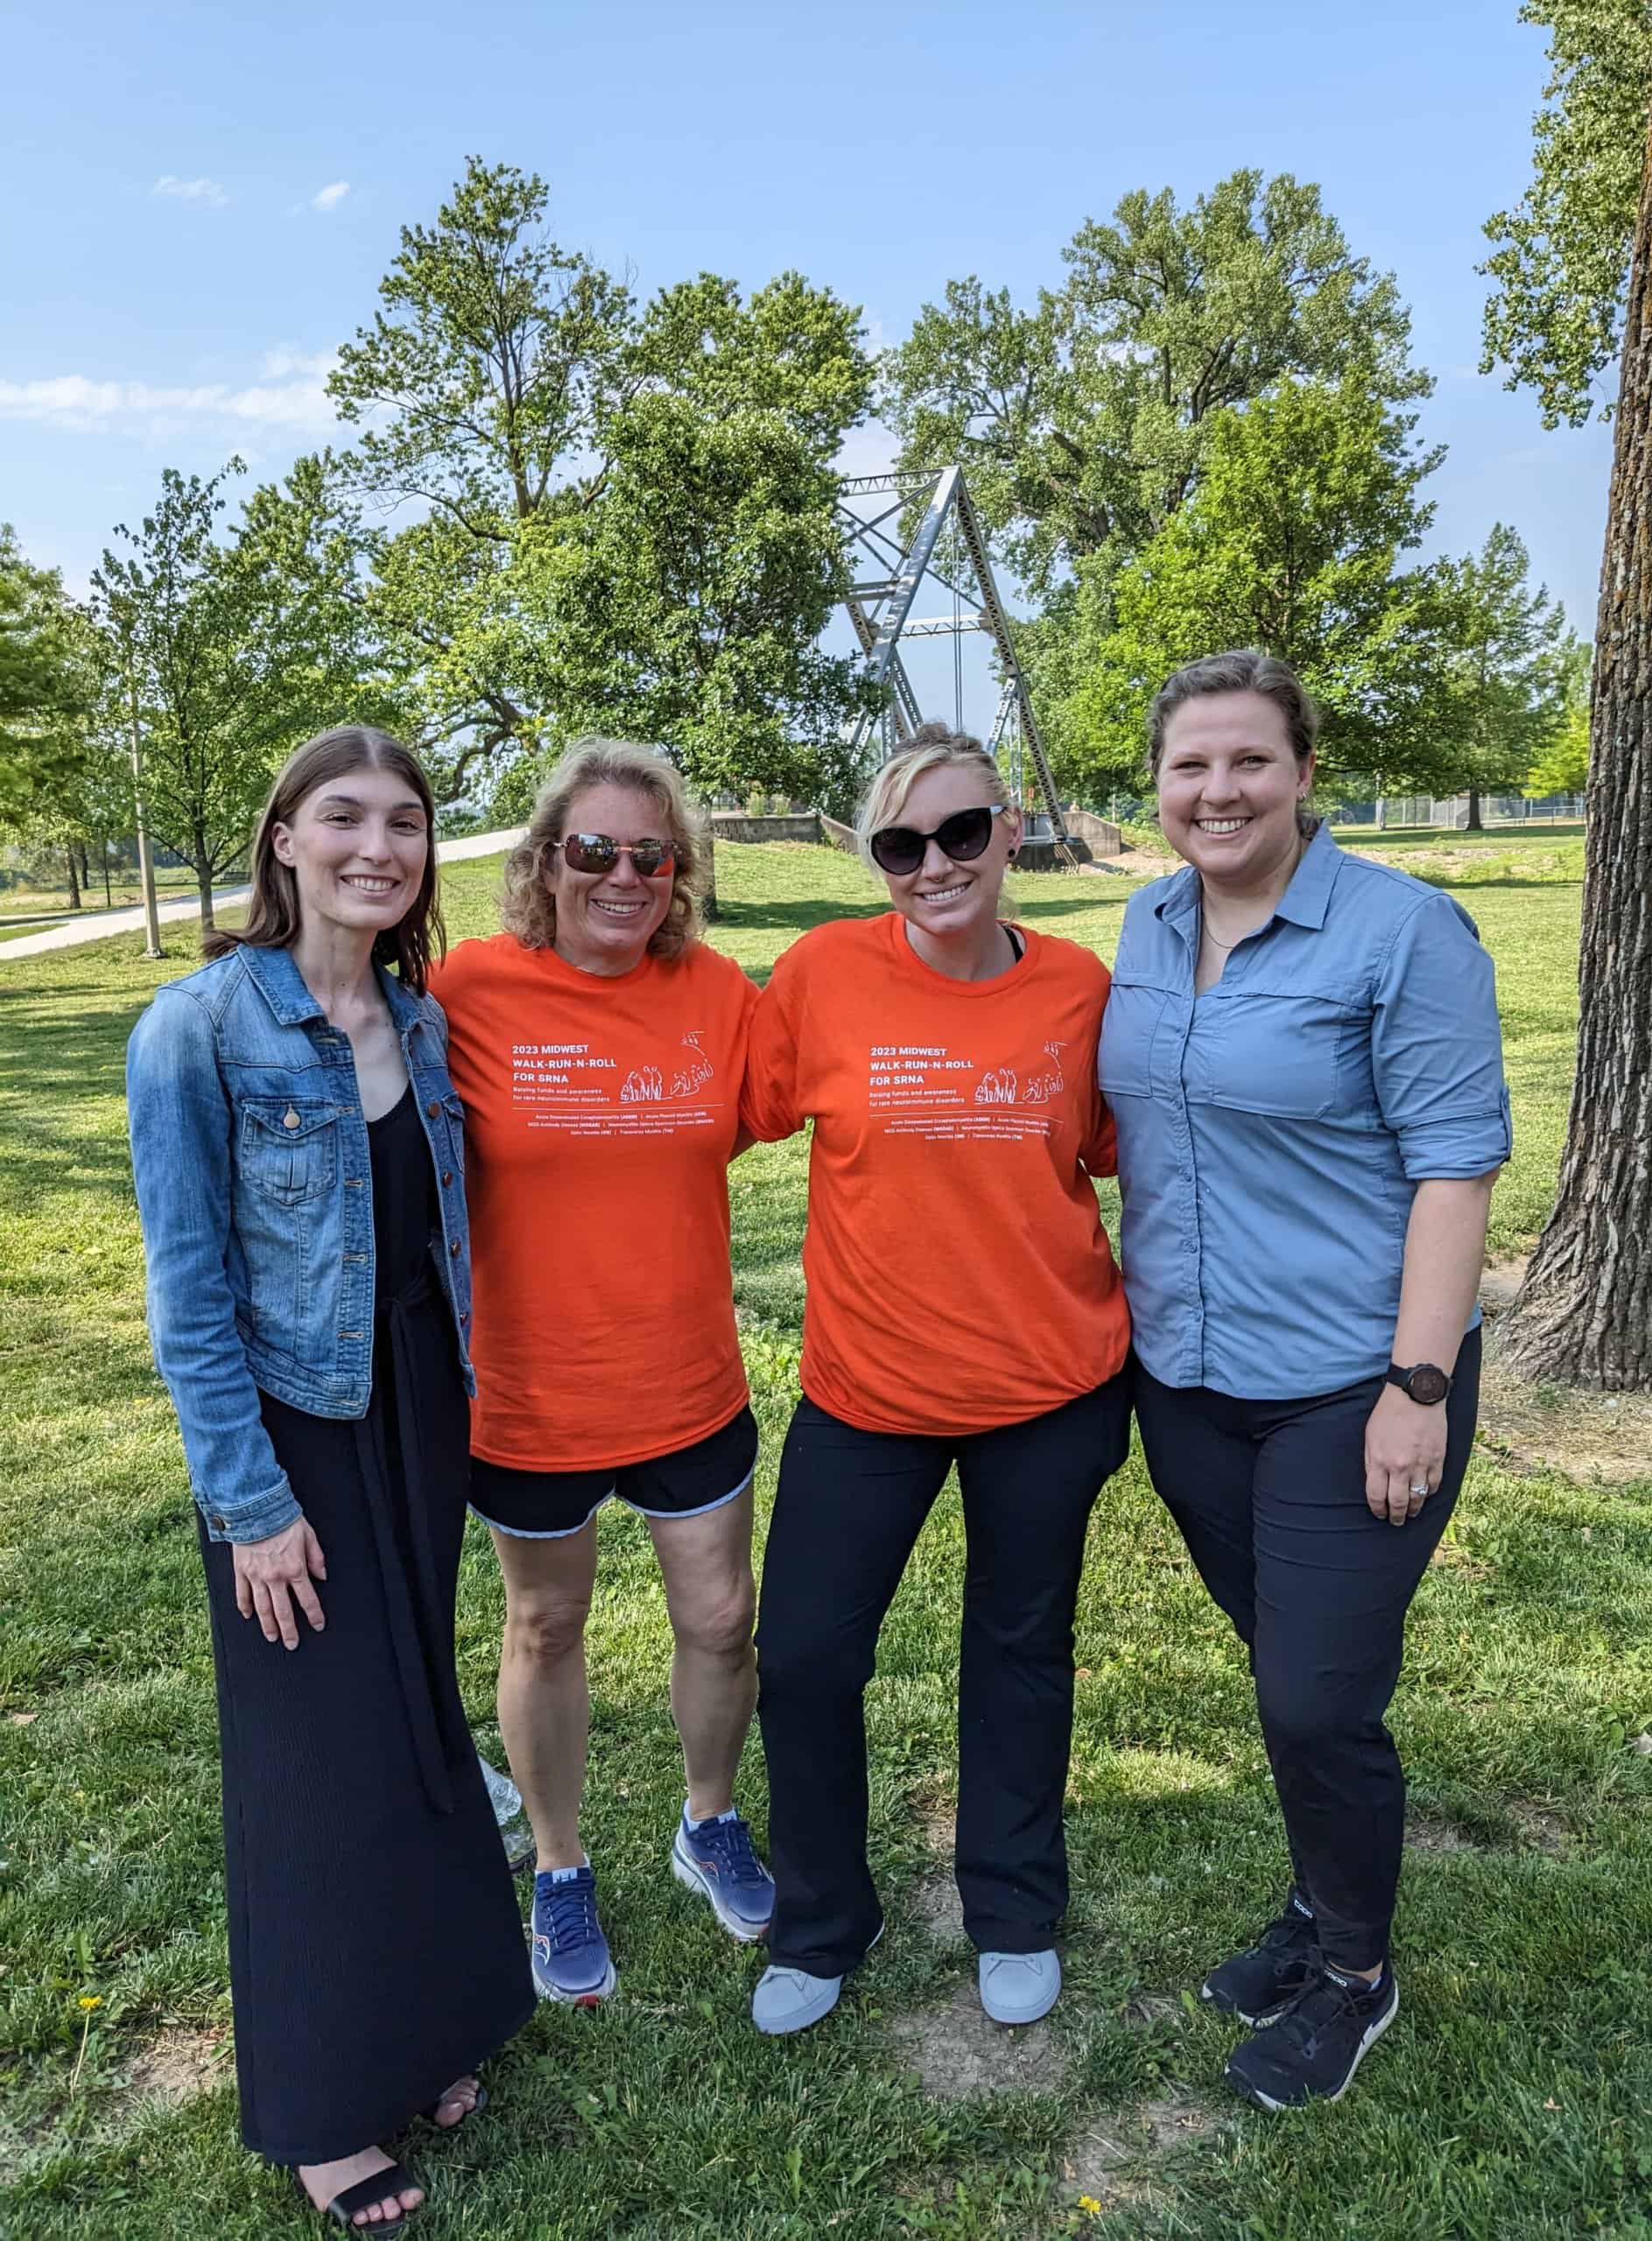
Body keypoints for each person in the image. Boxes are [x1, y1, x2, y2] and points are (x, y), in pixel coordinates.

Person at [126, 727, 534, 2235]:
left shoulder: (422, 1025)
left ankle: (426, 2027)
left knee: (420, 1721)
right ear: (283, 836)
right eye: (344, 817)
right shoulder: (199, 1028)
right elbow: (190, 1296)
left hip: (420, 1412)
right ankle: (321, 2109)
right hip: (295, 1431)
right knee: (314, 1766)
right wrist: (248, 1503)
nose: (381, 846)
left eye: (408, 823)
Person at [1100, 651, 1511, 2111]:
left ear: (1302, 774)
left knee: (1318, 1697)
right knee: (1290, 1673)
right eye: (1190, 766)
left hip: (1355, 1379)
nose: (1216, 791)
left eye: (1248, 762)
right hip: (1192, 1379)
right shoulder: (1146, 926)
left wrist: (1420, 1382)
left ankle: (1354, 1973)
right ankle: (1321, 1897)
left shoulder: (1403, 932)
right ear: (1157, 784)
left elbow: (1455, 1167)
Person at [743, 723, 1133, 2037]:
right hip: (868, 1396)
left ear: (1009, 830)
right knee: (800, 1658)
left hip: (1050, 1387)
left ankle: (1013, 1910)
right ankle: (818, 1926)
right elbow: (711, 1104)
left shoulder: (1079, 988)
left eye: (962, 833)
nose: (934, 866)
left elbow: (1120, 1148)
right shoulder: (817, 976)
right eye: (902, 845)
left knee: (1020, 1653)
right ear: (875, 859)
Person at [431, 737, 772, 2008]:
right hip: (530, 1395)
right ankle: (562, 1869)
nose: (622, 875)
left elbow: (813, 1099)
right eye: (594, 850)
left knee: (722, 1621)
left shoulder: (721, 994)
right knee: (546, 1624)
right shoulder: (469, 986)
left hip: (688, 1380)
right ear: (543, 860)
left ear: (675, 871)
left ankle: (708, 1821)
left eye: (650, 854)